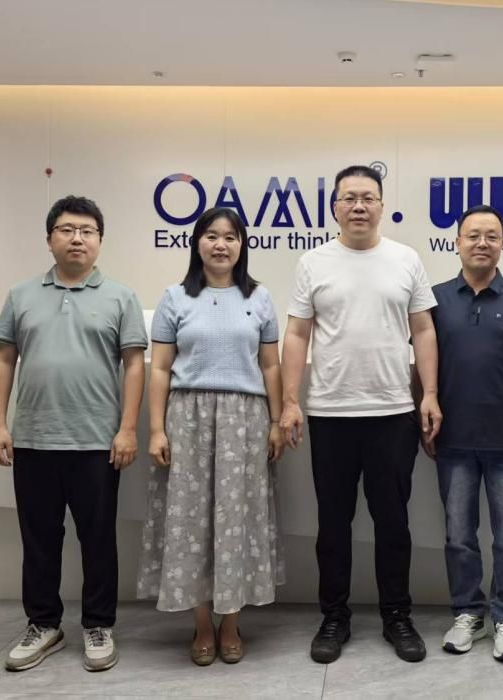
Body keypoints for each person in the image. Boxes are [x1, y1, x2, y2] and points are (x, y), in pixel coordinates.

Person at [279, 165, 441, 664]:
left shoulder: (405, 259)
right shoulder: (313, 261)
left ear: (382, 205)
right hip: (331, 412)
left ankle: (397, 615)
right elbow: (297, 333)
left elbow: (424, 330)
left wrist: (430, 394)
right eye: (349, 198)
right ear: (334, 207)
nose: (358, 206)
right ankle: (334, 617)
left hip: (393, 411)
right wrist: (290, 400)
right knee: (333, 524)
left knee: (393, 522)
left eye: (368, 197)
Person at [0, 195, 147, 672]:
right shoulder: (20, 295)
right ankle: (44, 624)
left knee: (98, 539)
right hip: (34, 439)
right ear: (49, 238)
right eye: (67, 230)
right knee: (39, 539)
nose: (77, 238)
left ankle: (99, 625)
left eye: (87, 231)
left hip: (96, 443)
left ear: (99, 240)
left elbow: (135, 364)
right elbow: (4, 359)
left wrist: (127, 429)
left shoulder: (120, 296)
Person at [137, 207, 287, 666]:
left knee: (237, 520)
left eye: (230, 237)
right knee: (191, 522)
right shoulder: (175, 298)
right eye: (211, 236)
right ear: (197, 243)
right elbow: (160, 368)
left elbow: (270, 365)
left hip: (245, 420)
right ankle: (202, 624)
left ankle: (232, 623)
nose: (221, 245)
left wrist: (276, 421)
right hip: (188, 418)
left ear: (242, 245)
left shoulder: (259, 297)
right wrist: (157, 428)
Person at [422, 204, 503, 664]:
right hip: (453, 439)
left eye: (491, 236)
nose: (482, 243)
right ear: (456, 242)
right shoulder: (435, 299)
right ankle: (467, 613)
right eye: (473, 235)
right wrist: (425, 412)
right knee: (459, 535)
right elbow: (422, 363)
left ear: (502, 244)